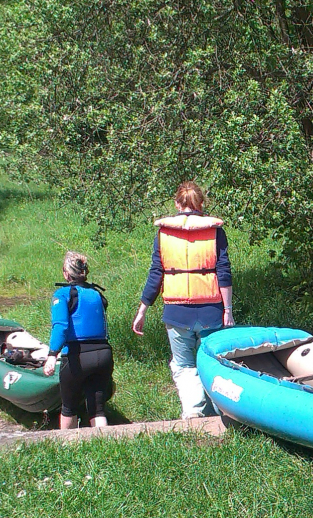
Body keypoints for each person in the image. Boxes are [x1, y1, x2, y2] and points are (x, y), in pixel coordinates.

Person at [133, 181, 233, 419]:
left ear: (177, 204)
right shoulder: (216, 232)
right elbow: (224, 272)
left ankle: (193, 414)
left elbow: (156, 273)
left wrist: (142, 310)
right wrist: (227, 310)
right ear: (201, 204)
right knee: (215, 363)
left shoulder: (164, 233)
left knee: (184, 366)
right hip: (211, 311)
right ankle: (223, 414)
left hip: (177, 313)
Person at [43, 252, 113, 429]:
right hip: (104, 355)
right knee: (97, 410)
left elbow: (60, 327)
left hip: (78, 356)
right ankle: (104, 446)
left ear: (66, 273)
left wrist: (52, 355)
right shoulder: (96, 293)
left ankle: (69, 448)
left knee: (69, 408)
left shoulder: (63, 294)